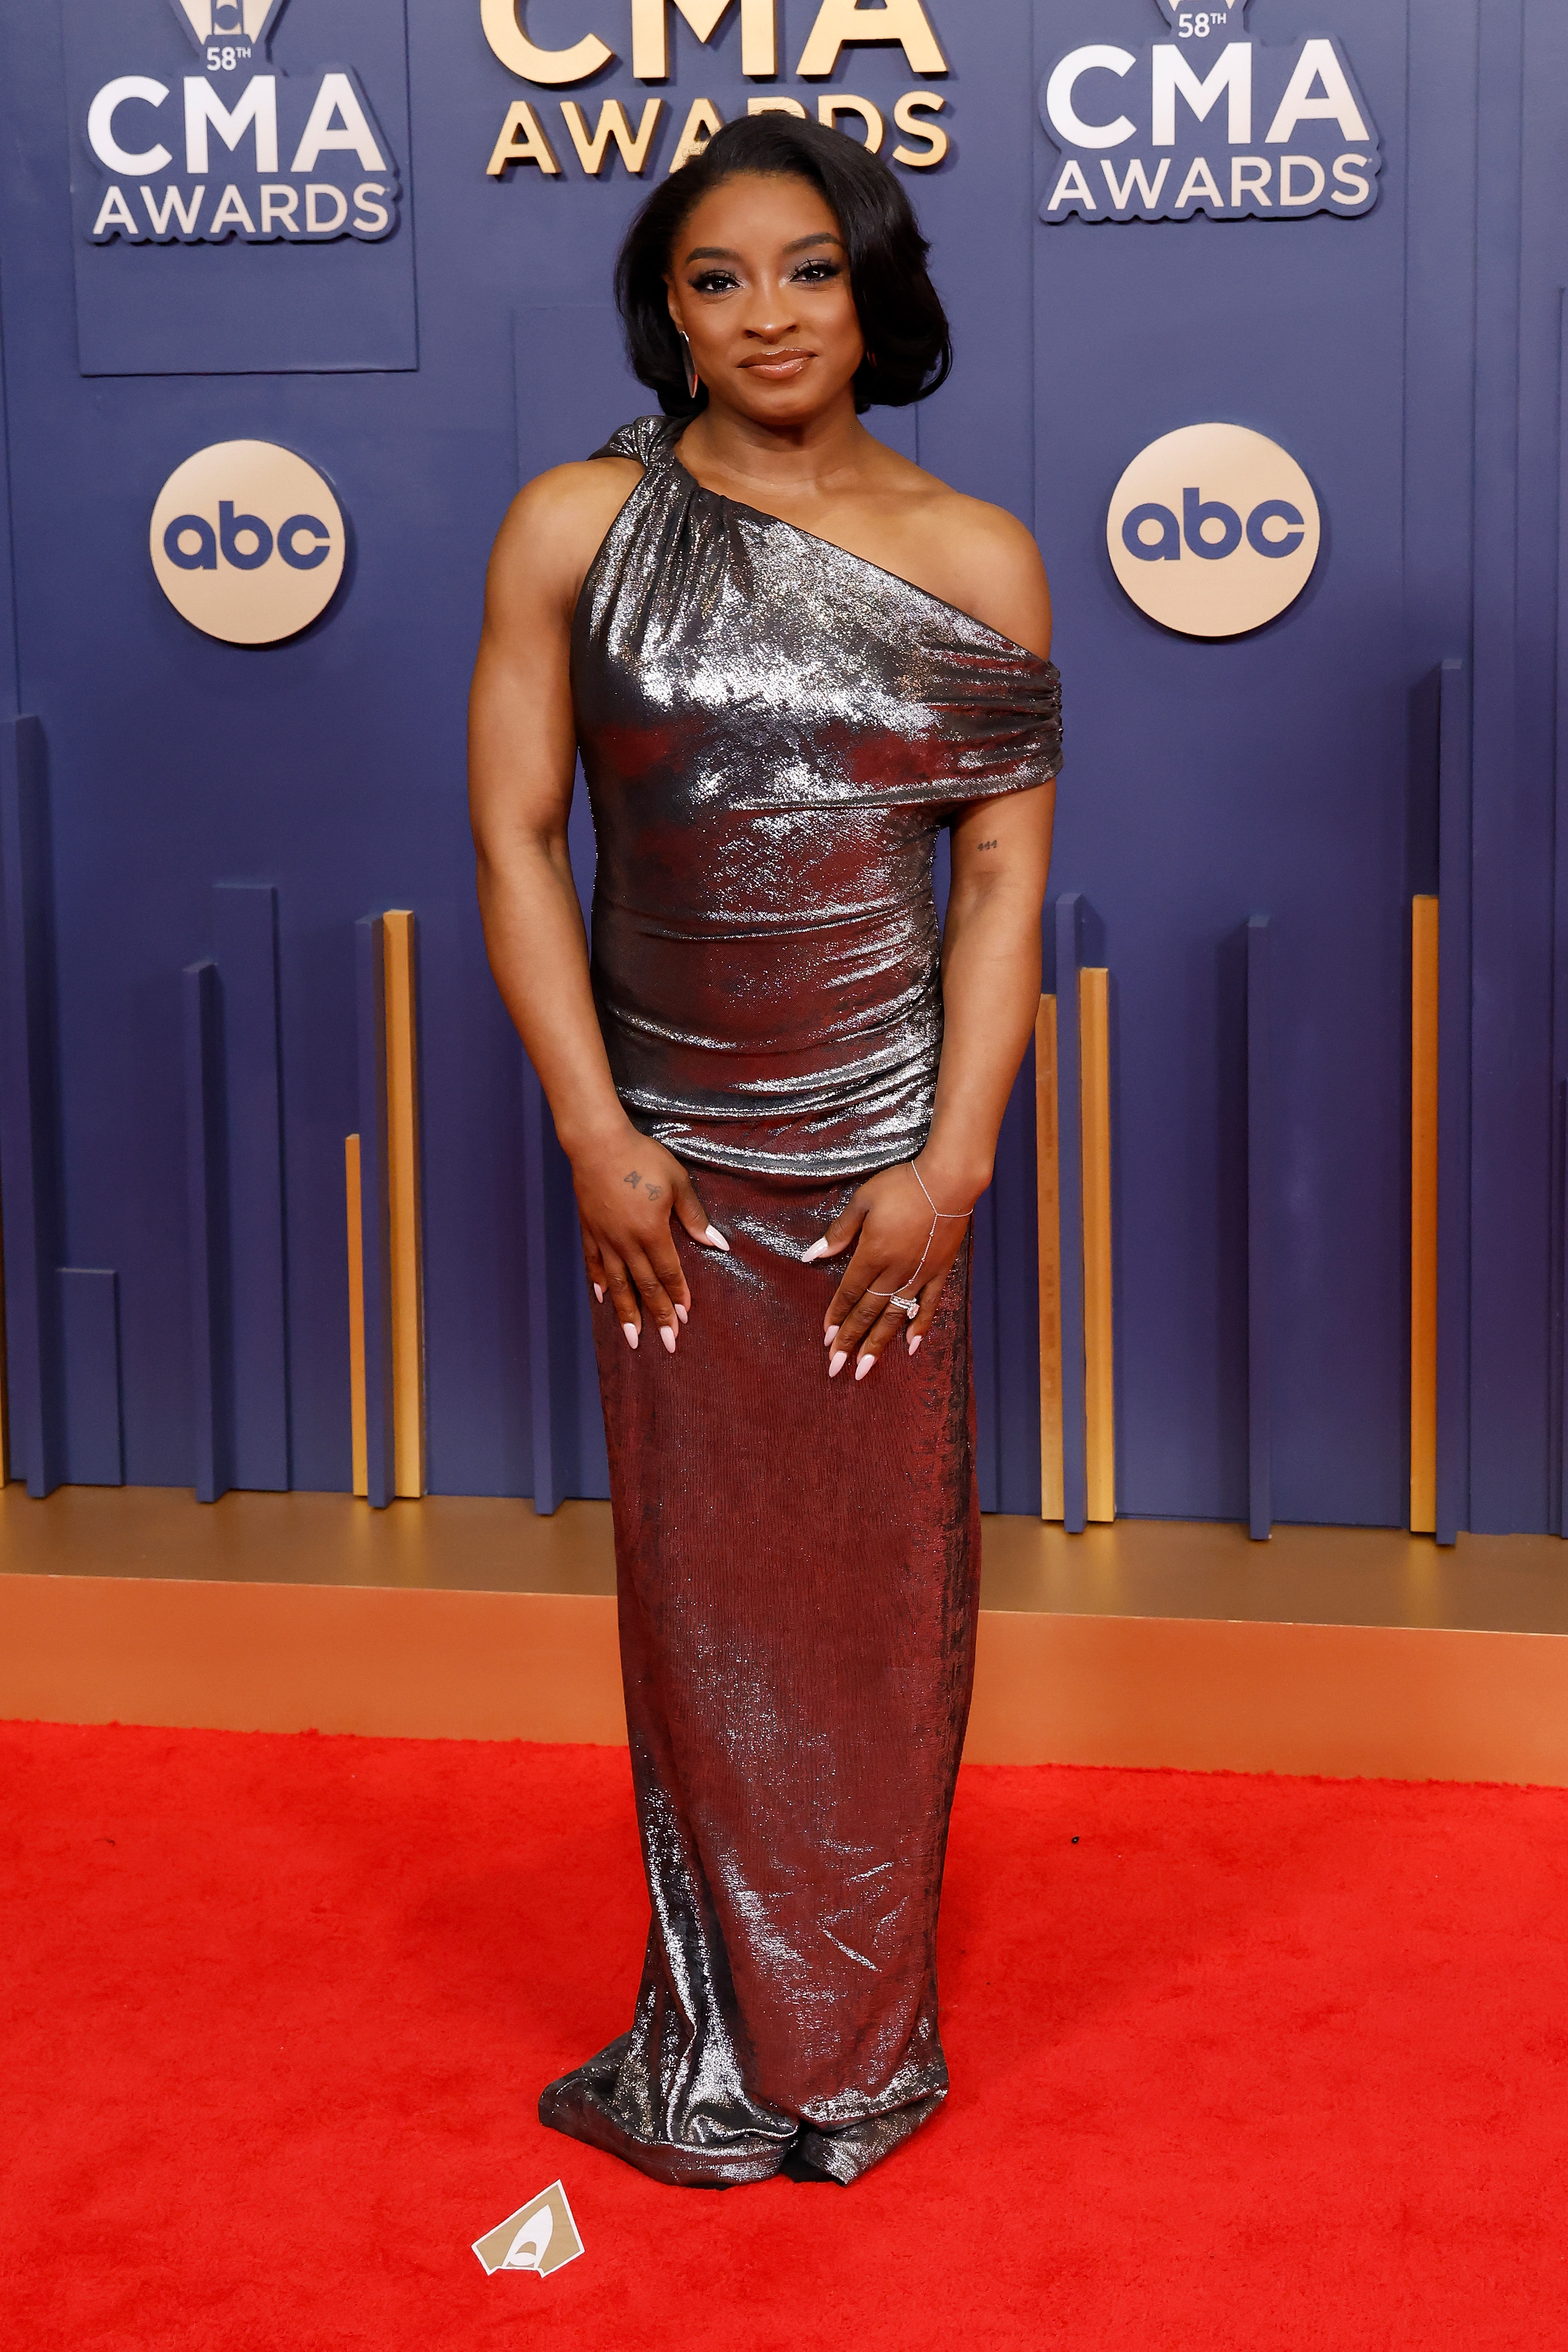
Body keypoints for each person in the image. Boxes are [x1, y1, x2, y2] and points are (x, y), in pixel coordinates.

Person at [469, 114, 1060, 2189]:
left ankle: (855, 2039)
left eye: (804, 268)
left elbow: (1003, 896)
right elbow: (516, 843)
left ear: (870, 281)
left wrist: (954, 1163)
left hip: (889, 1163)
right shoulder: (574, 524)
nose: (766, 313)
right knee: (704, 1599)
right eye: (717, 280)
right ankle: (725, 2033)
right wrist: (591, 1129)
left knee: (886, 1600)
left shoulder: (978, 552)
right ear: (670, 311)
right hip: (673, 1174)